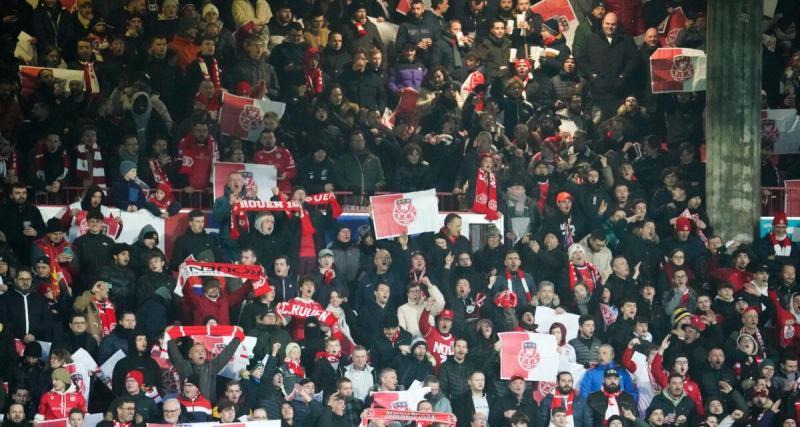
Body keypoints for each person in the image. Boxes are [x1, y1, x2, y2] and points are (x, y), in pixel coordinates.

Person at [167, 326, 244, 404]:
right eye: (197, 351)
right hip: (187, 408)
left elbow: (226, 354)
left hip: (208, 409)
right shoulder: (183, 366)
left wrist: (237, 338)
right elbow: (175, 355)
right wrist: (169, 338)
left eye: (203, 351)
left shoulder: (212, 367)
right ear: (190, 355)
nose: (201, 353)